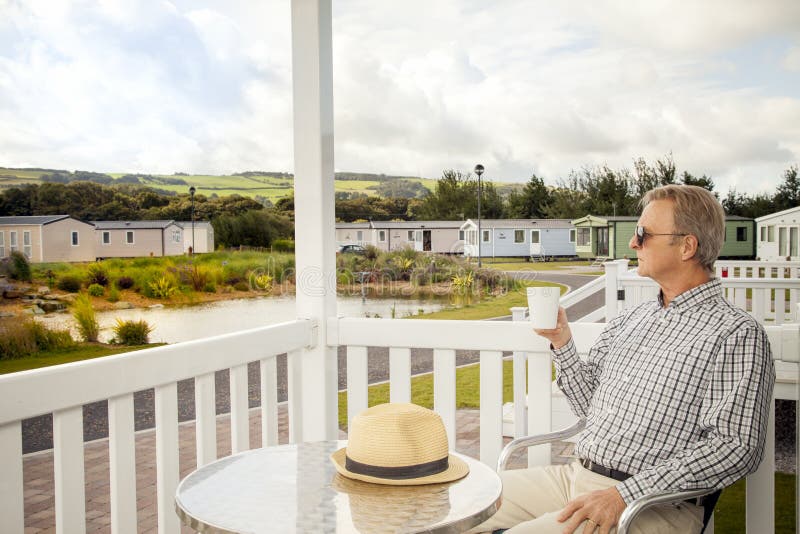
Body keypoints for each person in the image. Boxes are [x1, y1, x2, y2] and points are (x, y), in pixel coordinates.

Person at [470, 185, 775, 534]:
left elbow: (735, 448)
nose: (633, 243)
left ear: (687, 246)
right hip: (574, 476)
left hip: (653, 505)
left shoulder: (735, 334)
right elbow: (589, 406)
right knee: (460, 505)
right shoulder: (632, 318)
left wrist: (624, 495)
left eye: (643, 234)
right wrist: (562, 342)